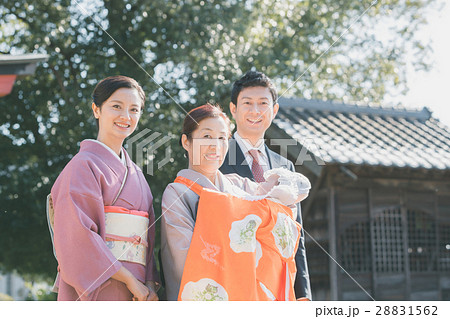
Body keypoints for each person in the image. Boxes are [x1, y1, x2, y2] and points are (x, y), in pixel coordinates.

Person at [160, 103, 310, 300]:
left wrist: (278, 182)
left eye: (222, 138)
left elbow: (289, 199)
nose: (215, 145)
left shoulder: (239, 185)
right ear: (186, 142)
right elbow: (186, 261)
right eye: (206, 136)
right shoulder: (177, 193)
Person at [50, 75, 159, 301]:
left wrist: (149, 284)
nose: (125, 116)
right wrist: (128, 279)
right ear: (97, 110)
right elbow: (78, 237)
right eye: (116, 107)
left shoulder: (138, 174)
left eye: (134, 110)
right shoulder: (82, 166)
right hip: (96, 285)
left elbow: (148, 239)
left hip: (137, 290)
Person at [219, 70, 312, 300]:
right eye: (247, 103)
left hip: (279, 282)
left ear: (274, 110)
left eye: (263, 103)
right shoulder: (215, 159)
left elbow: (295, 234)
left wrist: (303, 294)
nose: (255, 111)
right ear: (233, 109)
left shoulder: (286, 166)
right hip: (233, 279)